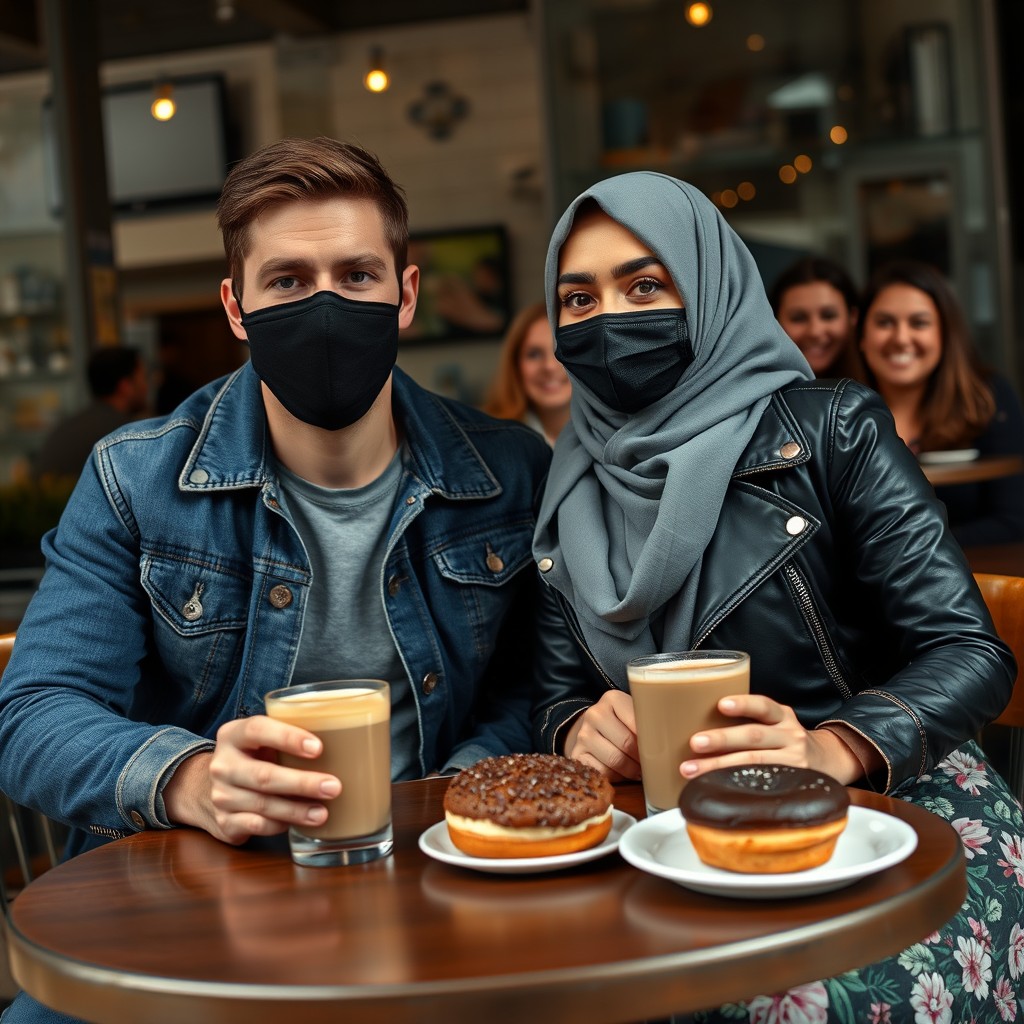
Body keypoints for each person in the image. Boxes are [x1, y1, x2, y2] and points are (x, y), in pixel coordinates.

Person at [0, 136, 551, 1024]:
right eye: (289, 281)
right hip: (191, 896)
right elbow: (33, 713)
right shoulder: (134, 479)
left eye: (358, 274)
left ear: (405, 295)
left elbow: (538, 682)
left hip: (438, 886)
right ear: (235, 306)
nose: (326, 304)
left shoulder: (508, 471)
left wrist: (458, 791)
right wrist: (188, 779)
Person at [530, 171, 1020, 1023]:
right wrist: (575, 725)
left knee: (792, 1003)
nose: (608, 318)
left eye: (646, 284)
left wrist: (836, 745)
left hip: (885, 798)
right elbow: (549, 691)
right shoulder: (566, 485)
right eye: (578, 299)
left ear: (710, 285)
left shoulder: (834, 427)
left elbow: (969, 652)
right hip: (665, 832)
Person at [858, 259, 1024, 548]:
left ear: (945, 334)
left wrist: (905, 552)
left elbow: (1014, 520)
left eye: (919, 323)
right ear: (861, 335)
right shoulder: (839, 412)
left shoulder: (987, 399)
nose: (901, 338)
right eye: (885, 322)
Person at [33, 345, 148, 478]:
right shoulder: (126, 435)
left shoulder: (64, 428)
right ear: (125, 386)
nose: (147, 387)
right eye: (144, 378)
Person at [482, 300, 572, 445]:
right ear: (515, 364)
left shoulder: (615, 437)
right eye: (534, 354)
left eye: (562, 350)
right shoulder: (487, 440)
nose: (549, 366)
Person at [769, 255, 864, 379]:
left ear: (852, 317)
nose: (815, 331)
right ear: (775, 321)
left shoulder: (881, 384)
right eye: (798, 318)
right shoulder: (756, 392)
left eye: (828, 316)